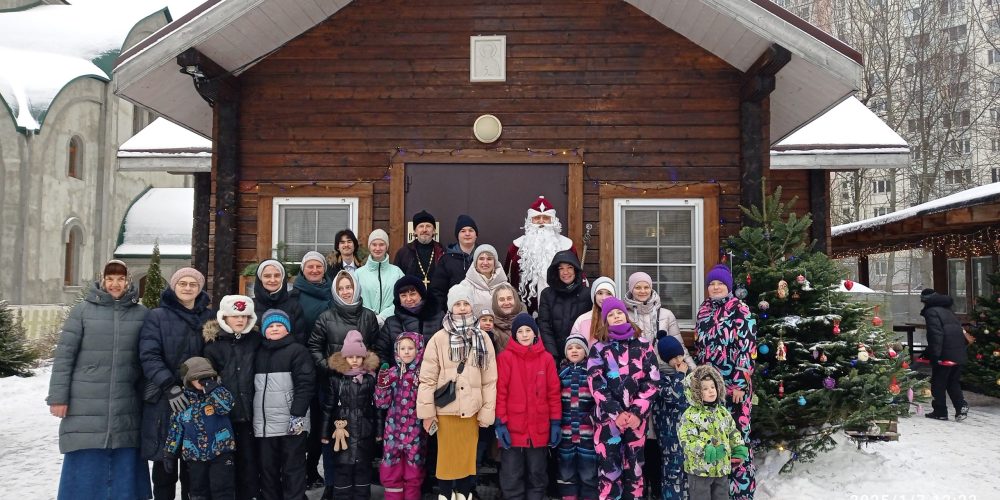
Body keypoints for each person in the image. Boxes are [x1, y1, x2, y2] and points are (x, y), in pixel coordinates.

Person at [47, 259, 151, 500]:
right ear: (102, 280)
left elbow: (147, 357)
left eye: (120, 279)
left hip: (126, 401)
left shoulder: (141, 314)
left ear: (128, 281)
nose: (115, 284)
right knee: (86, 455)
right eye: (110, 279)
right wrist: (58, 397)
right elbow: (64, 356)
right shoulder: (82, 311)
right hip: (86, 401)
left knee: (125, 454)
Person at [417, 284, 498, 500]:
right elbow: (427, 379)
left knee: (466, 459)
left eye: (465, 304)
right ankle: (444, 495)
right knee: (446, 459)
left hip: (471, 410)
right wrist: (427, 412)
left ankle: (463, 494)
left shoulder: (483, 338)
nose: (462, 308)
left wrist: (487, 411)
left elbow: (490, 380)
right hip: (445, 411)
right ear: (450, 308)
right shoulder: (438, 339)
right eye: (457, 304)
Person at [140, 267, 213, 500]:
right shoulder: (157, 316)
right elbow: (149, 356)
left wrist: (207, 382)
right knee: (165, 466)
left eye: (193, 284)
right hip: (166, 400)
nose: (188, 288)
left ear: (200, 288)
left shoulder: (208, 318)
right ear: (174, 286)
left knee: (194, 469)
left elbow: (216, 355)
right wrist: (168, 385)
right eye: (183, 283)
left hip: (199, 399)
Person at [309, 270, 380, 499]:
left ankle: (360, 487)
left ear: (356, 288)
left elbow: (377, 347)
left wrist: (369, 369)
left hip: (362, 386)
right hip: (334, 386)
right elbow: (314, 347)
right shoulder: (326, 317)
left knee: (361, 436)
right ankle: (333, 485)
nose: (346, 292)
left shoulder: (368, 317)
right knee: (334, 437)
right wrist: (332, 367)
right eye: (341, 289)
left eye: (349, 287)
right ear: (335, 292)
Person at [587, 296, 660, 499]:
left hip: (637, 421)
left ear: (626, 315)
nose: (616, 316)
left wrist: (636, 412)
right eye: (611, 314)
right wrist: (616, 413)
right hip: (608, 421)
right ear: (605, 320)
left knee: (635, 471)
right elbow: (596, 382)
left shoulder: (644, 345)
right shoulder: (599, 348)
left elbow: (652, 380)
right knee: (610, 471)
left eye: (619, 312)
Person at [695, 264, 756, 500]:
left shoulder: (740, 309)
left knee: (737, 438)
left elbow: (747, 348)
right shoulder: (704, 310)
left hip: (734, 386)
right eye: (712, 284)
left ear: (728, 287)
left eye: (720, 283)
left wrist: (740, 382)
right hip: (710, 386)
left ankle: (741, 493)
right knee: (715, 436)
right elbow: (701, 349)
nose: (715, 287)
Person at [495, 313, 561, 500]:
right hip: (512, 429)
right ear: (515, 335)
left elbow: (553, 394)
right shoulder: (505, 358)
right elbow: (500, 393)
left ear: (535, 333)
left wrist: (555, 422)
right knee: (511, 475)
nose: (524, 335)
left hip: (539, 429)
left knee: (537, 475)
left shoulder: (546, 359)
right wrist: (500, 423)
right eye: (520, 331)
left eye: (528, 330)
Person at [202, 294, 262, 500]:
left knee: (249, 465)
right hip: (223, 417)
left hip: (249, 413)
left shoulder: (255, 341)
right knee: (224, 467)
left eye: (245, 316)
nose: (240, 320)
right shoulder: (213, 345)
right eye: (235, 316)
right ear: (224, 318)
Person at [254, 309, 316, 500]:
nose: (274, 329)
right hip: (264, 426)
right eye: (270, 326)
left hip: (291, 423)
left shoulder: (297, 351)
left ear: (287, 329)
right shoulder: (258, 352)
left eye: (279, 325)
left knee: (293, 469)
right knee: (267, 470)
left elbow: (305, 385)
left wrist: (297, 416)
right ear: (263, 330)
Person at [164, 357, 237, 500]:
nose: (203, 381)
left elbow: (226, 407)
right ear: (188, 380)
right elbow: (175, 429)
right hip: (194, 455)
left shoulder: (219, 393)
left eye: (207, 377)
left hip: (221, 453)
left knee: (222, 489)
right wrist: (169, 452)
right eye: (198, 378)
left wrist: (213, 390)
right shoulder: (183, 402)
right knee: (198, 491)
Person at [290, 251, 334, 488]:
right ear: (303, 269)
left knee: (320, 421)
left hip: (326, 366)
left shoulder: (332, 292)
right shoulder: (294, 295)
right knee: (298, 420)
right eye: (310, 267)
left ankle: (312, 470)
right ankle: (296, 472)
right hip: (301, 365)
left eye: (319, 266)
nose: (315, 270)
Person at [321, 330, 381, 499]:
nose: (354, 360)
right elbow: (328, 407)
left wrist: (378, 431)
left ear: (364, 357)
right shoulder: (336, 380)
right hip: (342, 434)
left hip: (364, 432)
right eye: (350, 357)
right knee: (342, 469)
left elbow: (377, 407)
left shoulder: (370, 380)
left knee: (363, 470)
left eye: (358, 356)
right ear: (344, 358)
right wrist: (325, 433)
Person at [678, 365, 749, 500]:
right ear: (696, 392)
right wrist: (705, 450)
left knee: (722, 496)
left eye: (713, 387)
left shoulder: (722, 412)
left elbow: (733, 431)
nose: (711, 391)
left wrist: (738, 448)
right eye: (705, 388)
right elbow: (687, 439)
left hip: (721, 468)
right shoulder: (690, 416)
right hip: (699, 471)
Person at [375, 332, 428, 500]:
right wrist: (381, 386)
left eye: (410, 348)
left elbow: (428, 401)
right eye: (402, 348)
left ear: (419, 349)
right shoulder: (391, 373)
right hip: (393, 430)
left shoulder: (423, 375)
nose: (406, 352)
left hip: (416, 431)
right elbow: (381, 404)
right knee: (391, 467)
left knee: (414, 468)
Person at [503, 196, 578, 312]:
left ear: (553, 221)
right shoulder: (516, 248)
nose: (541, 221)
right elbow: (507, 279)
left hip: (562, 308)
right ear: (530, 221)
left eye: (546, 218)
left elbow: (578, 277)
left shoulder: (567, 246)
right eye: (537, 218)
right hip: (524, 311)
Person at [556, 333, 597, 500]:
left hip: (587, 432)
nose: (574, 350)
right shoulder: (561, 374)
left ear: (586, 352)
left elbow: (599, 399)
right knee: (566, 469)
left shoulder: (591, 373)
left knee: (589, 471)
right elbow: (554, 399)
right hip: (565, 432)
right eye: (570, 348)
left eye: (579, 347)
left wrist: (593, 418)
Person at [623, 272, 695, 368]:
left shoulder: (666, 314)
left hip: (663, 370)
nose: (642, 291)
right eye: (638, 287)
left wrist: (694, 370)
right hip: (634, 371)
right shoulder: (624, 315)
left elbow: (680, 348)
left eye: (646, 287)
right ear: (631, 289)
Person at [920, 288, 970, 421]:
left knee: (938, 383)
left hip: (944, 353)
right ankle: (960, 408)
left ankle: (940, 411)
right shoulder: (948, 310)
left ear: (925, 301)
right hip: (957, 352)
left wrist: (934, 355)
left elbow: (936, 335)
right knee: (953, 382)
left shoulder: (931, 312)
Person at [652, 332, 691, 500]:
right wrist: (680, 375)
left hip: (686, 434)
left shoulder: (686, 375)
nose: (678, 360)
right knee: (672, 473)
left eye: (680, 355)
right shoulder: (660, 377)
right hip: (669, 436)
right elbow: (673, 396)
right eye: (673, 357)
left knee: (687, 471)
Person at [538, 250, 592, 362]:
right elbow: (544, 326)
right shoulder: (547, 294)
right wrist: (553, 355)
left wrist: (583, 353)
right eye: (561, 268)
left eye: (569, 267)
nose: (565, 272)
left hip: (582, 357)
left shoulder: (588, 294)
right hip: (554, 355)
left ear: (576, 269)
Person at [378, 275, 444, 365]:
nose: (408, 299)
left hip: (432, 374)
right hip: (400, 376)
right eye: (403, 295)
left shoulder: (438, 318)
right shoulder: (391, 323)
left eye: (412, 294)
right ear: (399, 299)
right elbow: (381, 352)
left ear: (421, 294)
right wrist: (388, 370)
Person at [430, 215, 480, 311]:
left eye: (471, 230)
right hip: (454, 313)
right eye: (463, 231)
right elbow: (438, 291)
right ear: (457, 235)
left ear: (476, 234)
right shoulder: (446, 259)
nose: (467, 234)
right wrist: (444, 313)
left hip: (481, 314)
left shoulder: (485, 257)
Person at [253, 259, 309, 345]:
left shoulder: (294, 306)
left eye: (277, 275)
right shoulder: (252, 306)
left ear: (282, 278)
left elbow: (299, 338)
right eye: (267, 276)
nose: (272, 280)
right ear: (260, 278)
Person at [357, 229, 405, 326]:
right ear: (369, 246)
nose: (377, 248)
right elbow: (355, 300)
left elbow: (402, 299)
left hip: (392, 323)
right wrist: (371, 316)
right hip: (365, 323)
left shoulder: (397, 272)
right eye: (374, 244)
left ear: (386, 247)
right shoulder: (358, 273)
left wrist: (383, 316)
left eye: (381, 244)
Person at [394, 210, 445, 287]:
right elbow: (397, 282)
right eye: (421, 226)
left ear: (434, 231)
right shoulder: (403, 253)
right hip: (411, 298)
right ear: (415, 231)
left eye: (428, 226)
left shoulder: (443, 252)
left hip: (437, 298)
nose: (424, 230)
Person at [460, 244, 509, 311]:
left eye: (489, 259)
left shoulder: (506, 286)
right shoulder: (464, 286)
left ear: (495, 263)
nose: (485, 263)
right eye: (481, 259)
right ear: (475, 263)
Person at [569, 276, 615, 346]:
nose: (604, 298)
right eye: (600, 293)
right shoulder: (582, 320)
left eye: (608, 293)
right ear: (594, 295)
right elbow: (574, 346)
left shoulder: (620, 318)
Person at [490, 283, 525, 354]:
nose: (506, 303)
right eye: (502, 300)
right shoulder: (491, 327)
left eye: (509, 298)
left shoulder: (528, 322)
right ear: (496, 303)